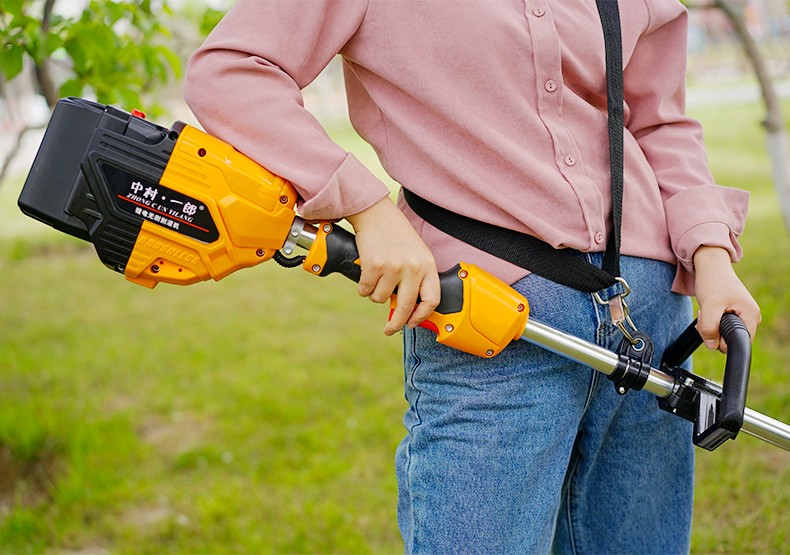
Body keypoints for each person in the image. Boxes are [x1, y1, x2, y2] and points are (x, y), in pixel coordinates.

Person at [184, 1, 761, 553]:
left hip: (653, 315)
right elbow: (232, 70)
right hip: (491, 322)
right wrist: (365, 207)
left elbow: (659, 122)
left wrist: (711, 255)